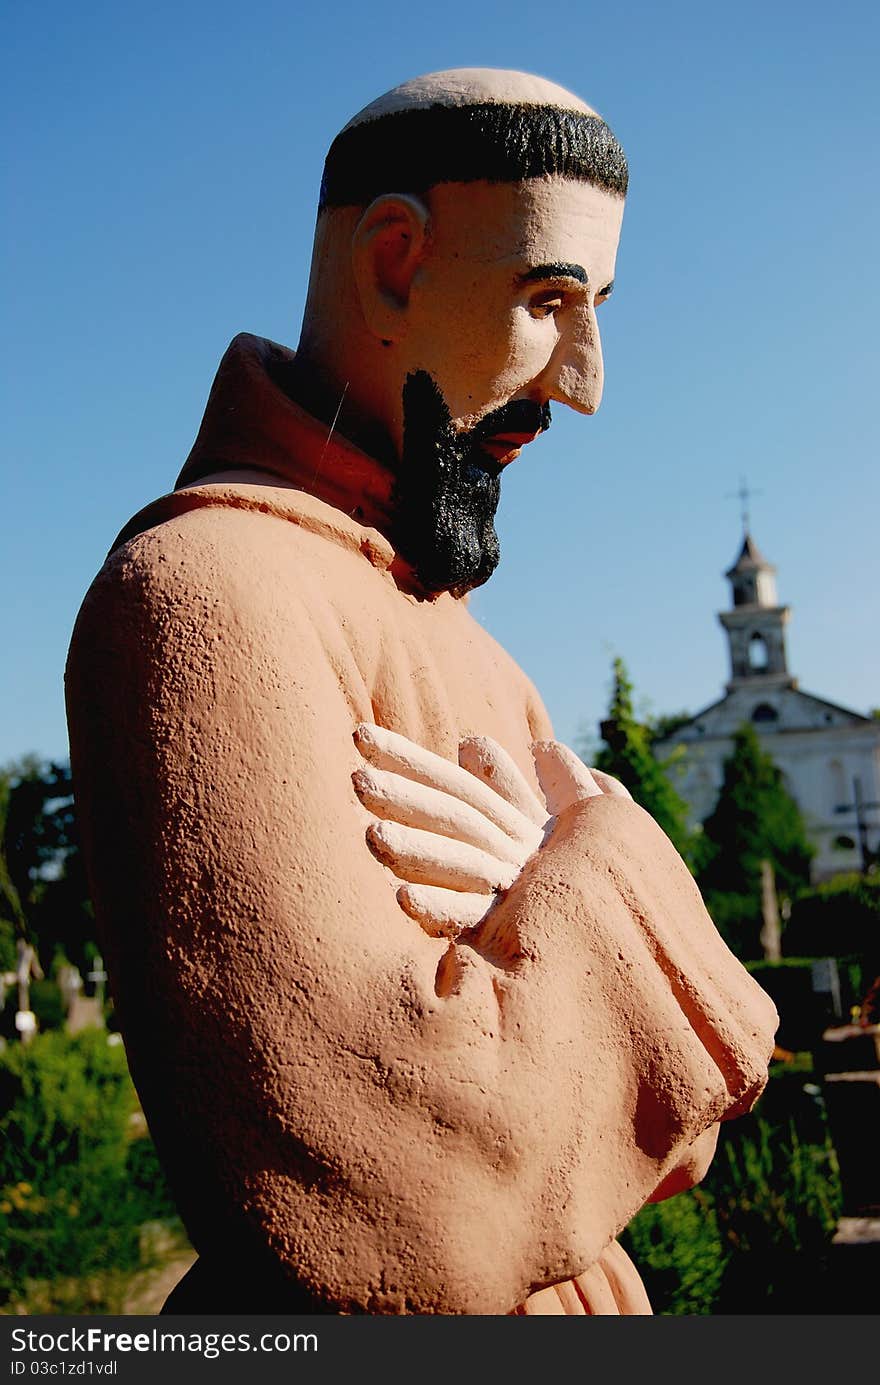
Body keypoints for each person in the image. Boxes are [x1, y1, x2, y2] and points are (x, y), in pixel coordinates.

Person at [65, 68, 778, 1315]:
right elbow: (407, 1192)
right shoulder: (203, 594)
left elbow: (686, 1135)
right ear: (393, 262)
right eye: (549, 298)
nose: (586, 383)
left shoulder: (472, 645)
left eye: (597, 307)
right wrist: (603, 859)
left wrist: (550, 901)